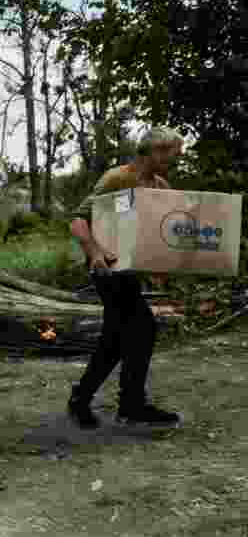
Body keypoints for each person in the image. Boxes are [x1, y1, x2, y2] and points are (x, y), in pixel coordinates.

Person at [66, 126, 185, 429]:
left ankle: (87, 398)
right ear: (155, 151)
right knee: (140, 328)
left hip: (131, 270)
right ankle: (129, 404)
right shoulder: (117, 179)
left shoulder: (160, 186)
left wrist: (161, 266)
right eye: (172, 155)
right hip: (107, 267)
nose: (175, 161)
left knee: (118, 337)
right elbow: (79, 221)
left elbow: (159, 234)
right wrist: (94, 252)